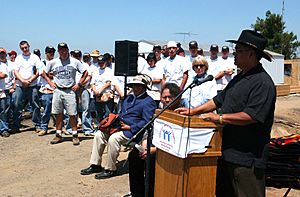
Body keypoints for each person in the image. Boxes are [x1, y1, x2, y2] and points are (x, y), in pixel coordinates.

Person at [175, 29, 276, 197]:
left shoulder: (262, 83)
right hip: (226, 152)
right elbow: (218, 100)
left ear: (251, 54)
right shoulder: (239, 77)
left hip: (247, 157)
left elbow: (251, 116)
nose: (234, 55)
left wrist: (220, 118)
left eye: (239, 51)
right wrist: (193, 111)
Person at [80, 74, 157, 179]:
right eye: (134, 85)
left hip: (134, 132)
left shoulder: (149, 101)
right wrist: (113, 122)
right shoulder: (129, 98)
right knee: (99, 134)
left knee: (114, 139)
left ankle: (110, 169)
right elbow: (120, 113)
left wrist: (130, 127)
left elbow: (147, 122)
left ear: (144, 87)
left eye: (138, 85)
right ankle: (95, 164)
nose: (135, 87)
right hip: (118, 126)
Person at [124, 83, 181, 197]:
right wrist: (145, 145)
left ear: (177, 98)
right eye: (164, 97)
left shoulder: (180, 113)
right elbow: (148, 130)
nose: (167, 100)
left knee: (151, 161)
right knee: (134, 156)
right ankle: (137, 193)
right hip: (153, 146)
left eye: (170, 97)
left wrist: (153, 150)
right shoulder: (159, 112)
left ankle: (151, 193)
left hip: (169, 151)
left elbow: (176, 141)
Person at [43, 42, 88, 146]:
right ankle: (58, 134)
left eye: (65, 49)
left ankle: (75, 135)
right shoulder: (53, 62)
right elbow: (44, 73)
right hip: (58, 90)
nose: (63, 52)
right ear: (58, 51)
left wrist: (79, 84)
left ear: (68, 50)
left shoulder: (75, 62)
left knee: (72, 114)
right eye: (61, 50)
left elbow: (85, 72)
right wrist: (50, 83)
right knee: (58, 113)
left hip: (70, 90)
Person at [13, 40, 41, 133]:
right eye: (22, 48)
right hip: (20, 85)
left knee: (35, 105)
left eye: (26, 47)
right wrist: (23, 81)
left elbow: (38, 71)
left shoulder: (35, 57)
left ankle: (37, 125)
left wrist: (30, 80)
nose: (25, 49)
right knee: (17, 105)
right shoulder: (18, 58)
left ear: (29, 46)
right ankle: (16, 125)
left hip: (32, 85)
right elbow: (16, 71)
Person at [37, 46, 56, 136]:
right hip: (46, 90)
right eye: (49, 52)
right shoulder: (42, 63)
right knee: (46, 110)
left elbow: (55, 74)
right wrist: (49, 75)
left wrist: (49, 74)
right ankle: (44, 127)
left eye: (52, 51)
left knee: (61, 111)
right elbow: (43, 74)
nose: (51, 53)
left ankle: (61, 127)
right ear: (46, 52)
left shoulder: (56, 62)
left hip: (56, 89)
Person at [0, 48, 9, 137]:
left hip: (1, 92)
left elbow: (3, 75)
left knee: (3, 112)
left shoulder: (3, 65)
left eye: (2, 53)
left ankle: (4, 129)